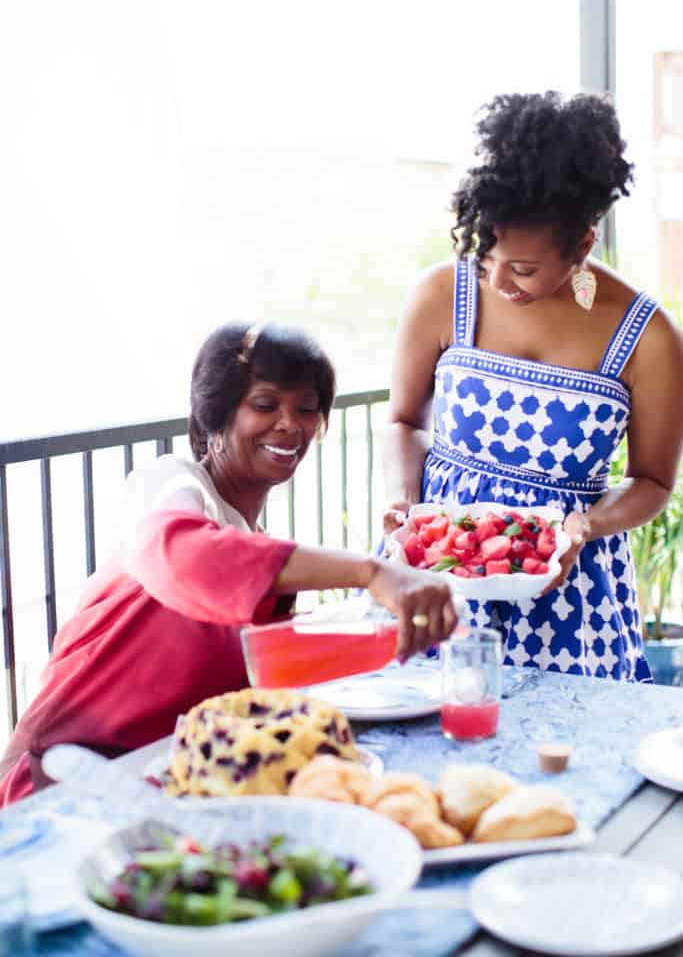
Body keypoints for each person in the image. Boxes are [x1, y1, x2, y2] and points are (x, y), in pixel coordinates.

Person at [0, 322, 458, 805]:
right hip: (60, 785)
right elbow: (187, 556)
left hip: (166, 788)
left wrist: (413, 609)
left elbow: (271, 667)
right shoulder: (168, 485)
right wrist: (371, 571)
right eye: (264, 405)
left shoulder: (251, 539)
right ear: (215, 414)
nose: (289, 424)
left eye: (306, 409)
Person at [383, 91, 683, 682]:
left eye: (522, 268)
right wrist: (400, 500)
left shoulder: (648, 336)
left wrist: (588, 526)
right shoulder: (444, 293)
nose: (497, 280)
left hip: (569, 593)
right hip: (439, 571)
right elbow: (405, 422)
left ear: (582, 245)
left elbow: (652, 481)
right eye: (484, 254)